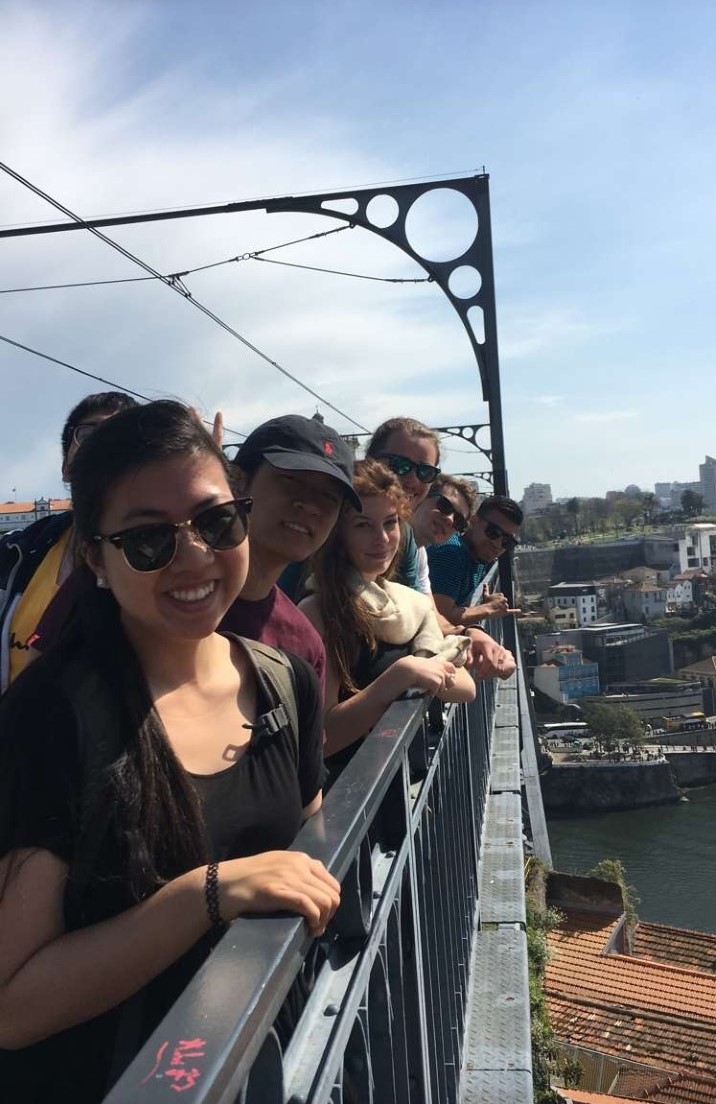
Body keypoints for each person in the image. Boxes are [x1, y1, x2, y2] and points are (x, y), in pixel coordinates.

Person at [0, 401, 339, 1103]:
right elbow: (13, 1007)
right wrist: (204, 895)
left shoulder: (284, 683)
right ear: (94, 557)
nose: (194, 557)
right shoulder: (49, 720)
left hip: (257, 1069)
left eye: (218, 522)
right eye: (149, 540)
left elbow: (310, 836)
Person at [299, 459, 475, 773]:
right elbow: (321, 740)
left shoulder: (406, 604)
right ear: (336, 534)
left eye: (390, 522)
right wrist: (401, 676)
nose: (381, 538)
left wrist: (421, 668)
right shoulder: (319, 612)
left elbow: (465, 687)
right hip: (349, 802)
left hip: (396, 785)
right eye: (362, 525)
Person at [0, 391, 137, 690]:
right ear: (66, 467)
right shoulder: (16, 553)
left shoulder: (162, 552)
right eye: (90, 433)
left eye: (122, 436)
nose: (106, 445)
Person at [224, 414, 361, 689]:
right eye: (291, 481)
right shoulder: (171, 604)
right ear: (238, 482)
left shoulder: (305, 646)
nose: (310, 505)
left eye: (329, 497)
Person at [365, 416, 442, 591]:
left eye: (425, 472)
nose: (412, 480)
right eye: (399, 465)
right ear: (370, 461)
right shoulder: (334, 517)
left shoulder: (404, 534)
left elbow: (417, 610)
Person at [428, 494, 523, 627]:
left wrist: (483, 607)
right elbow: (440, 616)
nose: (497, 544)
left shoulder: (478, 556)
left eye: (507, 541)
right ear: (473, 521)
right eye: (493, 532)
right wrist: (487, 608)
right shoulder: (452, 553)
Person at [410, 474, 478, 594]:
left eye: (459, 521)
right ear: (423, 496)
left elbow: (431, 610)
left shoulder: (420, 555)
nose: (450, 520)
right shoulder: (386, 537)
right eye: (445, 505)